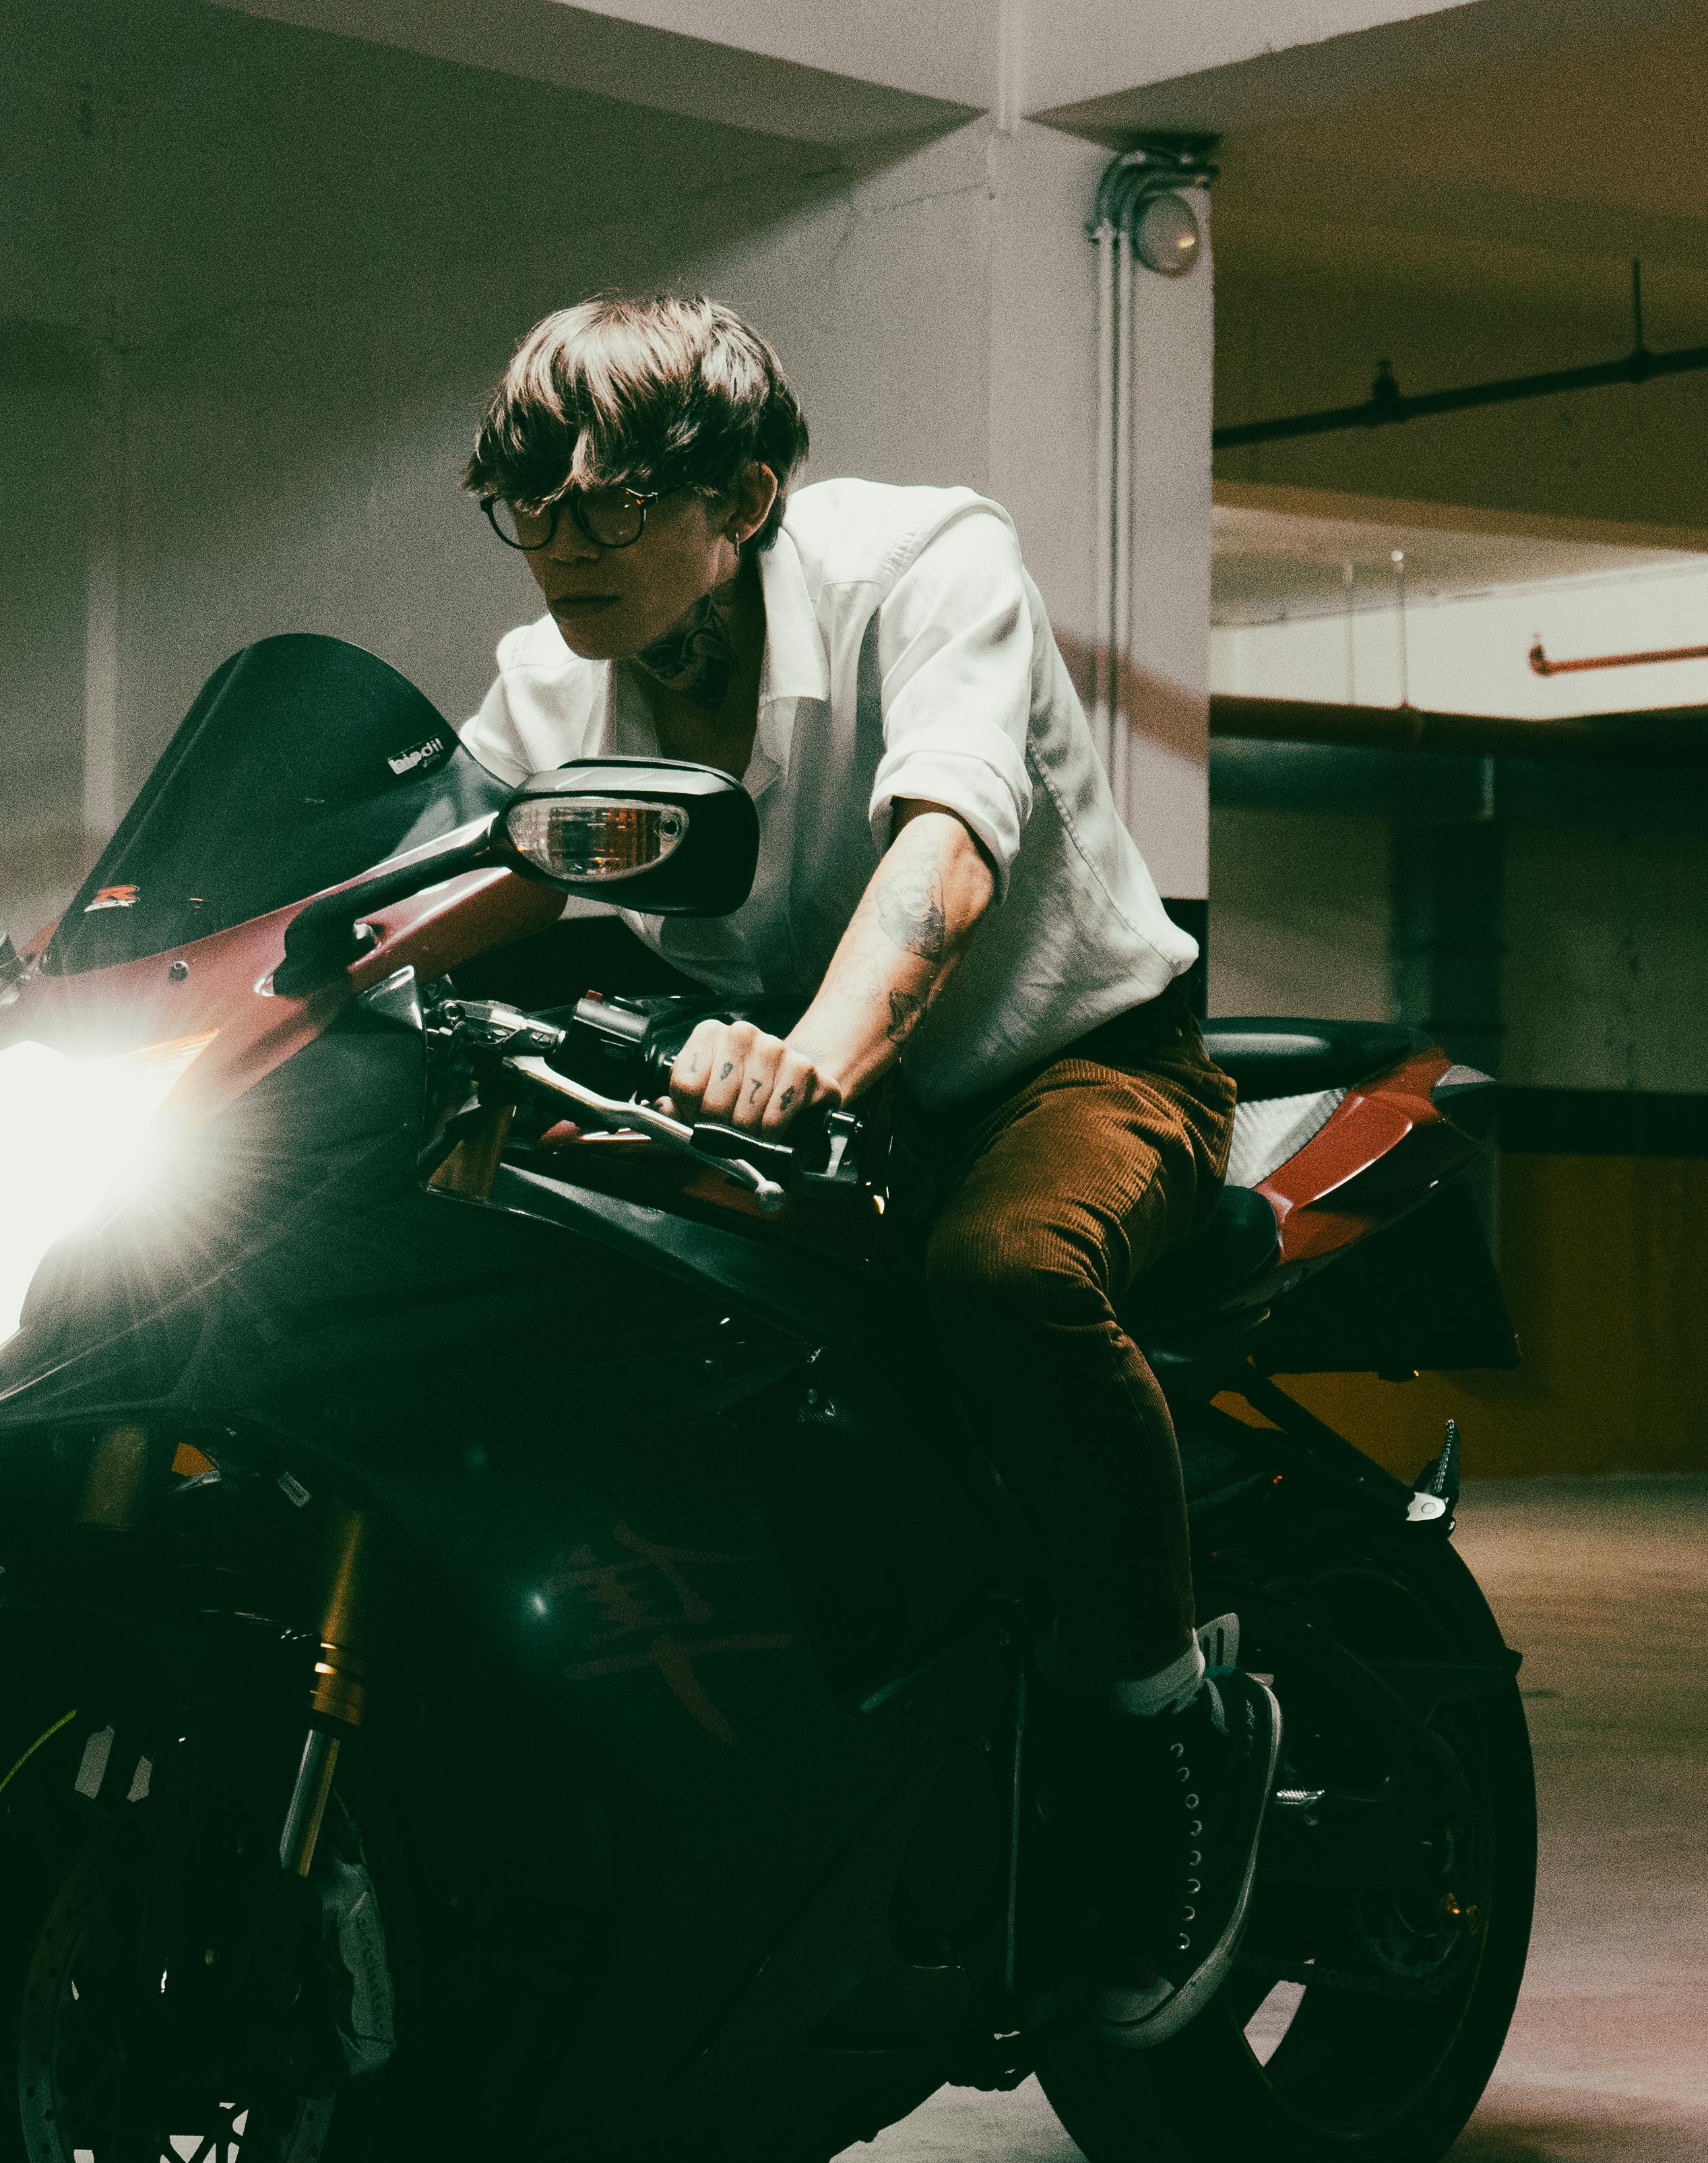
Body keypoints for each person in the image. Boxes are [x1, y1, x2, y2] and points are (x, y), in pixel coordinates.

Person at [455, 292, 1279, 2050]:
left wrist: (809, 1057)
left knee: (1004, 1281)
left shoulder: (927, 567)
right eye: (530, 505)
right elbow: (425, 874)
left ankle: (1168, 1722)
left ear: (741, 497)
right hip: (796, 1111)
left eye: (608, 504)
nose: (562, 548)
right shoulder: (550, 682)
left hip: (1067, 1064)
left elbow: (946, 849)